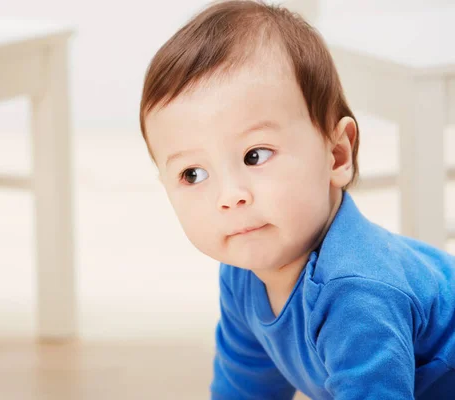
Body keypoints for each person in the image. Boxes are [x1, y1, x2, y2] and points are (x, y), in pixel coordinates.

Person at [138, 1, 455, 398]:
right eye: (193, 174)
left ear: (337, 154)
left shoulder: (358, 293)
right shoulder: (244, 274)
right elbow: (244, 386)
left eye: (255, 155)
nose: (231, 196)